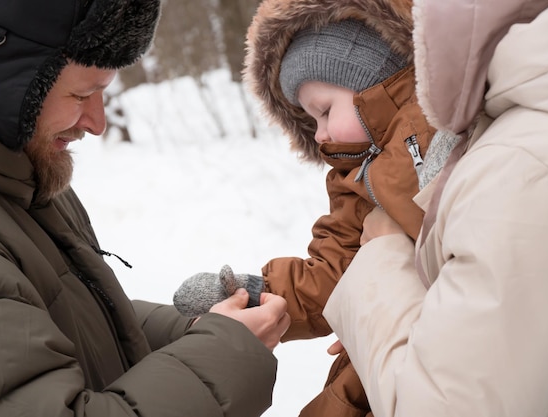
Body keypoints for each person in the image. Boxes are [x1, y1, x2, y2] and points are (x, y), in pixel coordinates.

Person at [0, 1, 291, 416]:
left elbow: (56, 323)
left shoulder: (12, 173)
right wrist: (224, 353)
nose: (97, 122)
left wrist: (194, 331)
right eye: (82, 94)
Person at [172, 0, 451, 415]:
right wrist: (255, 294)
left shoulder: (453, 132)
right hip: (387, 354)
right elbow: (333, 275)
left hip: (449, 358)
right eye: (309, 120)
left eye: (323, 111)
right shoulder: (355, 178)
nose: (319, 135)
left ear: (375, 81)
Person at [322, 0, 548, 416]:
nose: (320, 135)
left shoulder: (515, 159)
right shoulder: (492, 131)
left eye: (322, 111)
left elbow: (442, 403)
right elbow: (331, 261)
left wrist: (380, 271)